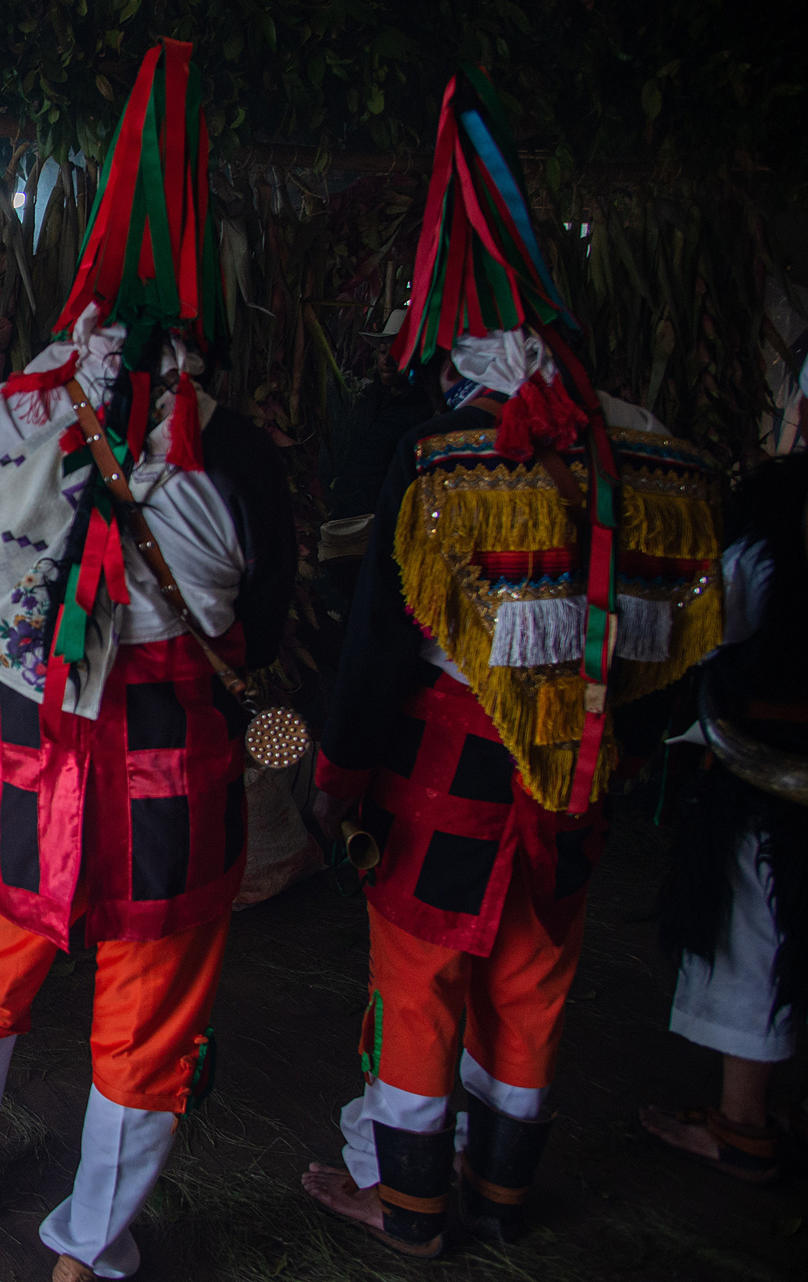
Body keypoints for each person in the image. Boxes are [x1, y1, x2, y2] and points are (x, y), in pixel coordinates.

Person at [300, 69, 724, 1257]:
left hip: (449, 766)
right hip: (579, 774)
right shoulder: (645, 452)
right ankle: (499, 1195)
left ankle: (412, 1209)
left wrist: (336, 768)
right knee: (535, 984)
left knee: (422, 978)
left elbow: (384, 644)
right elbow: (683, 623)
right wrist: (632, 736)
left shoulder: (444, 457)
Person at [0, 41, 295, 1282]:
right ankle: (89, 1246)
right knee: (148, 1019)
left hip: (27, 762)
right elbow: (267, 628)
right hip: (175, 783)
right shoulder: (239, 460)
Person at [640, 454, 808, 1185]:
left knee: (755, 935)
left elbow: (708, 626)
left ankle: (744, 1126)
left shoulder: (775, 528)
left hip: (773, 777)